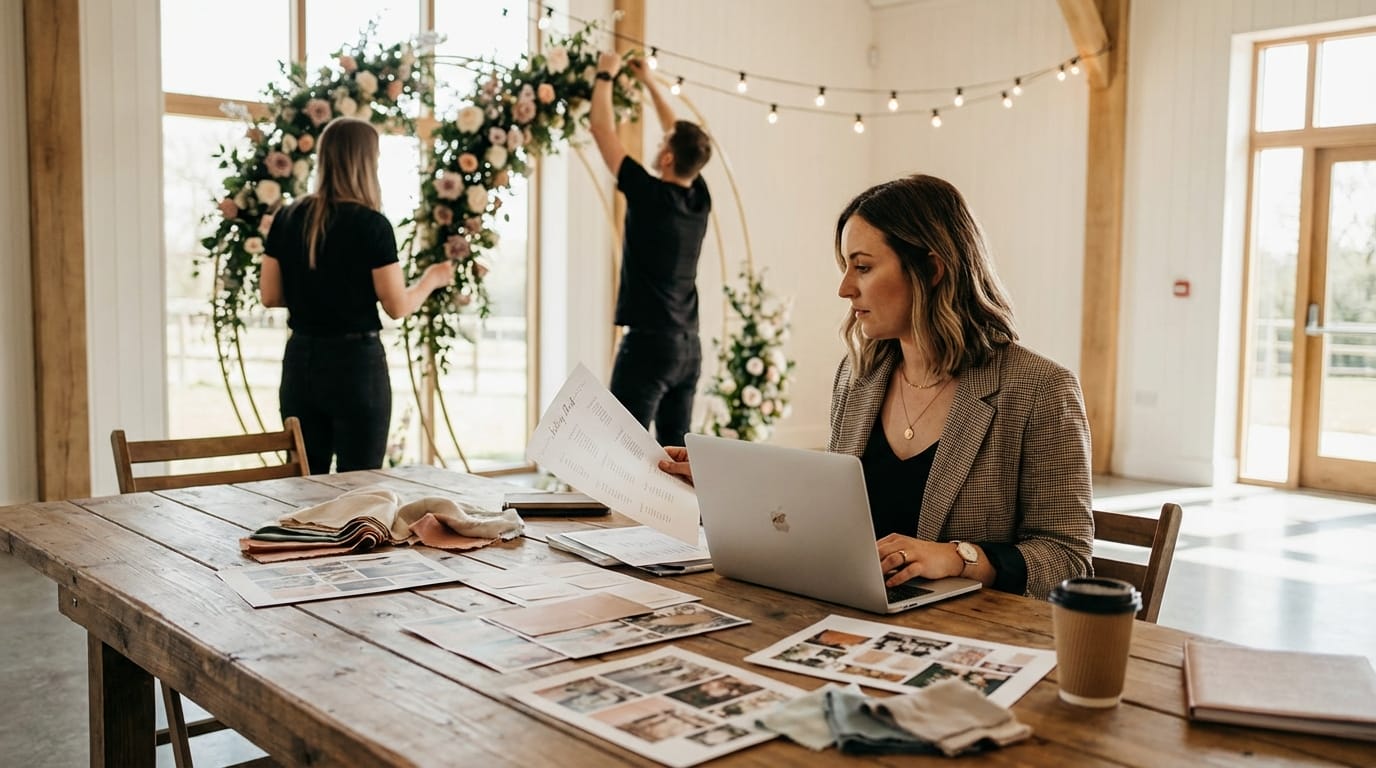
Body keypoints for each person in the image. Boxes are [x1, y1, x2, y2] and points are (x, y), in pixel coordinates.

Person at [660, 175, 1093, 600]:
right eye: (846, 267)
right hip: (851, 617)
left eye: (863, 267)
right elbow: (831, 522)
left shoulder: (1041, 389)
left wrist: (958, 558)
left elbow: (1068, 559)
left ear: (932, 269)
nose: (845, 288)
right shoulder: (857, 378)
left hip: (964, 632)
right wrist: (729, 487)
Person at [260, 116, 454, 474]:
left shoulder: (287, 217)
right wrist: (432, 279)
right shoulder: (371, 225)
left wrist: (316, 292)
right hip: (355, 368)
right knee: (361, 485)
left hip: (301, 361)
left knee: (303, 483)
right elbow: (397, 306)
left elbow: (270, 295)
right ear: (367, 162)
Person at [589, 51, 713, 447]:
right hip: (688, 346)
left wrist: (605, 75)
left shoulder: (647, 193)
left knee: (620, 447)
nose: (659, 142)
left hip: (648, 346)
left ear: (668, 157)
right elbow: (680, 134)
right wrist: (649, 82)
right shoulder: (700, 199)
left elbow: (600, 129)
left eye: (662, 142)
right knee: (677, 453)